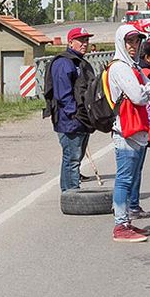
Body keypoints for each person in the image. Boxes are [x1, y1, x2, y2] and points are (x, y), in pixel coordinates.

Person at [107, 25, 150, 242]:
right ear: (121, 42)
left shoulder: (134, 68)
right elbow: (140, 96)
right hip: (124, 131)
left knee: (130, 179)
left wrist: (145, 91)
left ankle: (127, 221)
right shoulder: (120, 68)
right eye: (129, 41)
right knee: (124, 179)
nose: (133, 45)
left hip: (136, 130)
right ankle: (120, 225)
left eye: (136, 41)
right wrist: (145, 92)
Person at [47, 28, 93, 193]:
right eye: (81, 40)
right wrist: (75, 114)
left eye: (86, 40)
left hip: (81, 119)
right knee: (71, 159)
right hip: (70, 120)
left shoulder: (80, 62)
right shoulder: (64, 63)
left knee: (75, 158)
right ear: (70, 42)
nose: (85, 44)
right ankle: (72, 193)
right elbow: (63, 94)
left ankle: (69, 192)